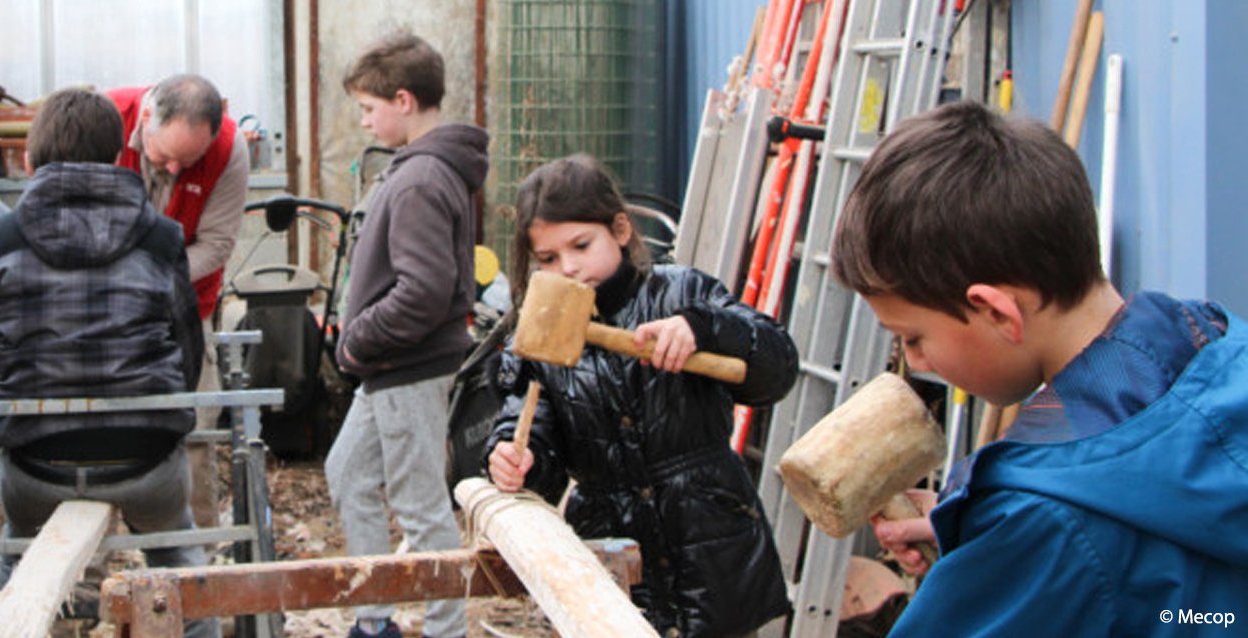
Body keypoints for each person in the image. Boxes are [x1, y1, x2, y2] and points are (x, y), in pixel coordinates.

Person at [835, 101, 1248, 635]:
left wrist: (1004, 553)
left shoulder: (1042, 522)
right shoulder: (1210, 342)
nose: (914, 361)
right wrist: (982, 540)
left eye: (913, 337)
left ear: (996, 311)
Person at [484, 154, 797, 637]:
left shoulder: (681, 295)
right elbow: (533, 435)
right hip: (614, 551)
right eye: (547, 258)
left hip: (709, 546)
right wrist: (515, 456)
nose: (568, 267)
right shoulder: (542, 331)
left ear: (621, 230)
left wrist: (705, 329)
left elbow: (777, 368)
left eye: (581, 245)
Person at [0, 88, 214, 638]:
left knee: (19, 557)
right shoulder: (160, 236)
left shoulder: (3, 235)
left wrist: (7, 421)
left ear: (27, 160)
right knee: (177, 562)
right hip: (144, 460)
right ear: (122, 158)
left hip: (36, 464)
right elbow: (187, 348)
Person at [326, 31, 489, 638]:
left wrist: (358, 339)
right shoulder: (423, 169)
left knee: (421, 507)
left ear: (402, 99)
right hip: (393, 366)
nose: (365, 122)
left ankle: (445, 629)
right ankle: (375, 622)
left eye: (368, 109)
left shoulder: (422, 178)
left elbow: (423, 291)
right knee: (347, 476)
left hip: (407, 364)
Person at [105, 74, 248, 531]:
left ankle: (196, 559)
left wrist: (149, 280)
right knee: (100, 428)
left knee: (194, 430)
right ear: (145, 119)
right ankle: (94, 563)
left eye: (188, 161)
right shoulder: (106, 120)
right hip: (107, 310)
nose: (171, 169)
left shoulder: (230, 150)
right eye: (164, 155)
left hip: (188, 306)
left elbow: (217, 244)